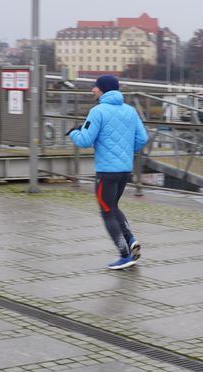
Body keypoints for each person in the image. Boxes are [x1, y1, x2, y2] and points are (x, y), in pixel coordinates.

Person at [68, 75, 148, 269]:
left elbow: (85, 140)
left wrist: (73, 133)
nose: (92, 90)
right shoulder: (130, 111)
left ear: (103, 89)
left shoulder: (98, 112)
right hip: (124, 170)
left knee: (106, 211)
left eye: (95, 87)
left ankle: (124, 255)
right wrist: (126, 152)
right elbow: (143, 138)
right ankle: (131, 241)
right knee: (113, 207)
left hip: (106, 171)